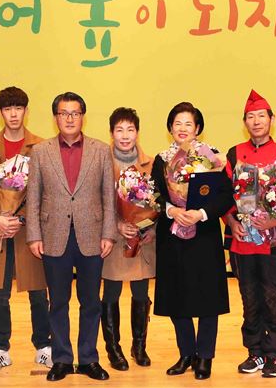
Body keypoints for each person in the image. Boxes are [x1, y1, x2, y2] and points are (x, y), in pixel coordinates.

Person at [26, 92, 116, 382]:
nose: (69, 118)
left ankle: (89, 359)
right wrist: (33, 235)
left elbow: (108, 196)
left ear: (82, 117)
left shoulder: (101, 150)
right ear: (56, 117)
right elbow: (33, 197)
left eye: (74, 113)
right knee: (58, 302)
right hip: (54, 236)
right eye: (63, 113)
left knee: (91, 301)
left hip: (92, 236)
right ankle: (62, 359)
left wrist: (109, 233)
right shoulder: (41, 152)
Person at [152, 102, 234, 381]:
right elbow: (154, 195)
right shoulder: (162, 160)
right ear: (170, 128)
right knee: (176, 295)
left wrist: (201, 213)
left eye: (188, 123)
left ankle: (205, 356)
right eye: (177, 123)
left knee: (208, 297)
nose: (183, 128)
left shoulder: (212, 157)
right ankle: (186, 353)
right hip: (172, 235)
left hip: (204, 234)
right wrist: (172, 211)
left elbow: (225, 196)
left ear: (197, 128)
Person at [0, 86, 52, 372]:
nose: (14, 114)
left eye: (18, 108)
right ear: (0, 113)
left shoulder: (40, 146)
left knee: (38, 292)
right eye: (8, 109)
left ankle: (44, 346)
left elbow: (44, 190)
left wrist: (21, 219)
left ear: (26, 111)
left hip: (29, 231)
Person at [222, 91, 276, 379]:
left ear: (271, 119)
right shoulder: (233, 153)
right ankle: (254, 352)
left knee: (275, 299)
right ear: (245, 122)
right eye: (250, 117)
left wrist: (275, 220)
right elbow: (223, 196)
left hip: (274, 242)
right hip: (242, 241)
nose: (256, 121)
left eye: (261, 116)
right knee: (250, 300)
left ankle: (275, 354)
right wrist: (230, 221)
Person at [100, 107, 155, 370]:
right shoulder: (101, 162)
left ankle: (139, 346)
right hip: (112, 238)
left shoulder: (151, 163)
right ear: (111, 133)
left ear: (137, 132)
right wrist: (117, 225)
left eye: (130, 129)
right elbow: (95, 202)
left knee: (141, 293)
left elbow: (158, 202)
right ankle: (114, 349)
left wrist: (146, 227)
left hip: (142, 239)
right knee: (110, 292)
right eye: (119, 130)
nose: (125, 135)